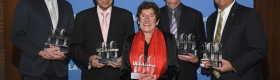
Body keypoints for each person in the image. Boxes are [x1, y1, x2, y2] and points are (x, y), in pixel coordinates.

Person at [200, 0, 267, 80]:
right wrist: (208, 62)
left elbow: (260, 49)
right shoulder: (211, 19)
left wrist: (233, 66)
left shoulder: (249, 14)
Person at [69, 0, 135, 80]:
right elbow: (75, 46)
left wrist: (124, 60)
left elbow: (132, 46)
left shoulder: (126, 16)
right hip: (91, 76)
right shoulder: (82, 17)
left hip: (118, 76)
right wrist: (88, 59)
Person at [10, 0, 74, 80]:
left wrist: (64, 55)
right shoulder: (26, 3)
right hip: (34, 68)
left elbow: (71, 35)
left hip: (60, 69)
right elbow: (17, 35)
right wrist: (40, 52)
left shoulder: (66, 5)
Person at [120, 1, 179, 80]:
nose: (146, 20)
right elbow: (124, 72)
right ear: (138, 20)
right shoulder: (129, 40)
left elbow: (174, 70)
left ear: (157, 21)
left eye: (151, 16)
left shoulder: (168, 39)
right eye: (143, 16)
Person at [158, 0, 206, 80]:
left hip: (187, 73)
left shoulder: (195, 15)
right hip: (161, 72)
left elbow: (201, 41)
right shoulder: (155, 15)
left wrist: (198, 58)